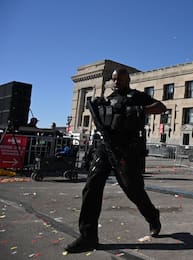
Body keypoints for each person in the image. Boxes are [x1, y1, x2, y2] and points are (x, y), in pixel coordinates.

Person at [65, 68, 167, 253]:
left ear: (127, 79)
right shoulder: (109, 98)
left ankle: (152, 216)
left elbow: (161, 107)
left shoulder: (137, 96)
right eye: (113, 79)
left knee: (133, 190)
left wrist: (139, 110)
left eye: (119, 79)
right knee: (92, 186)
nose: (115, 82)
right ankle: (88, 236)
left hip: (126, 149)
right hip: (106, 146)